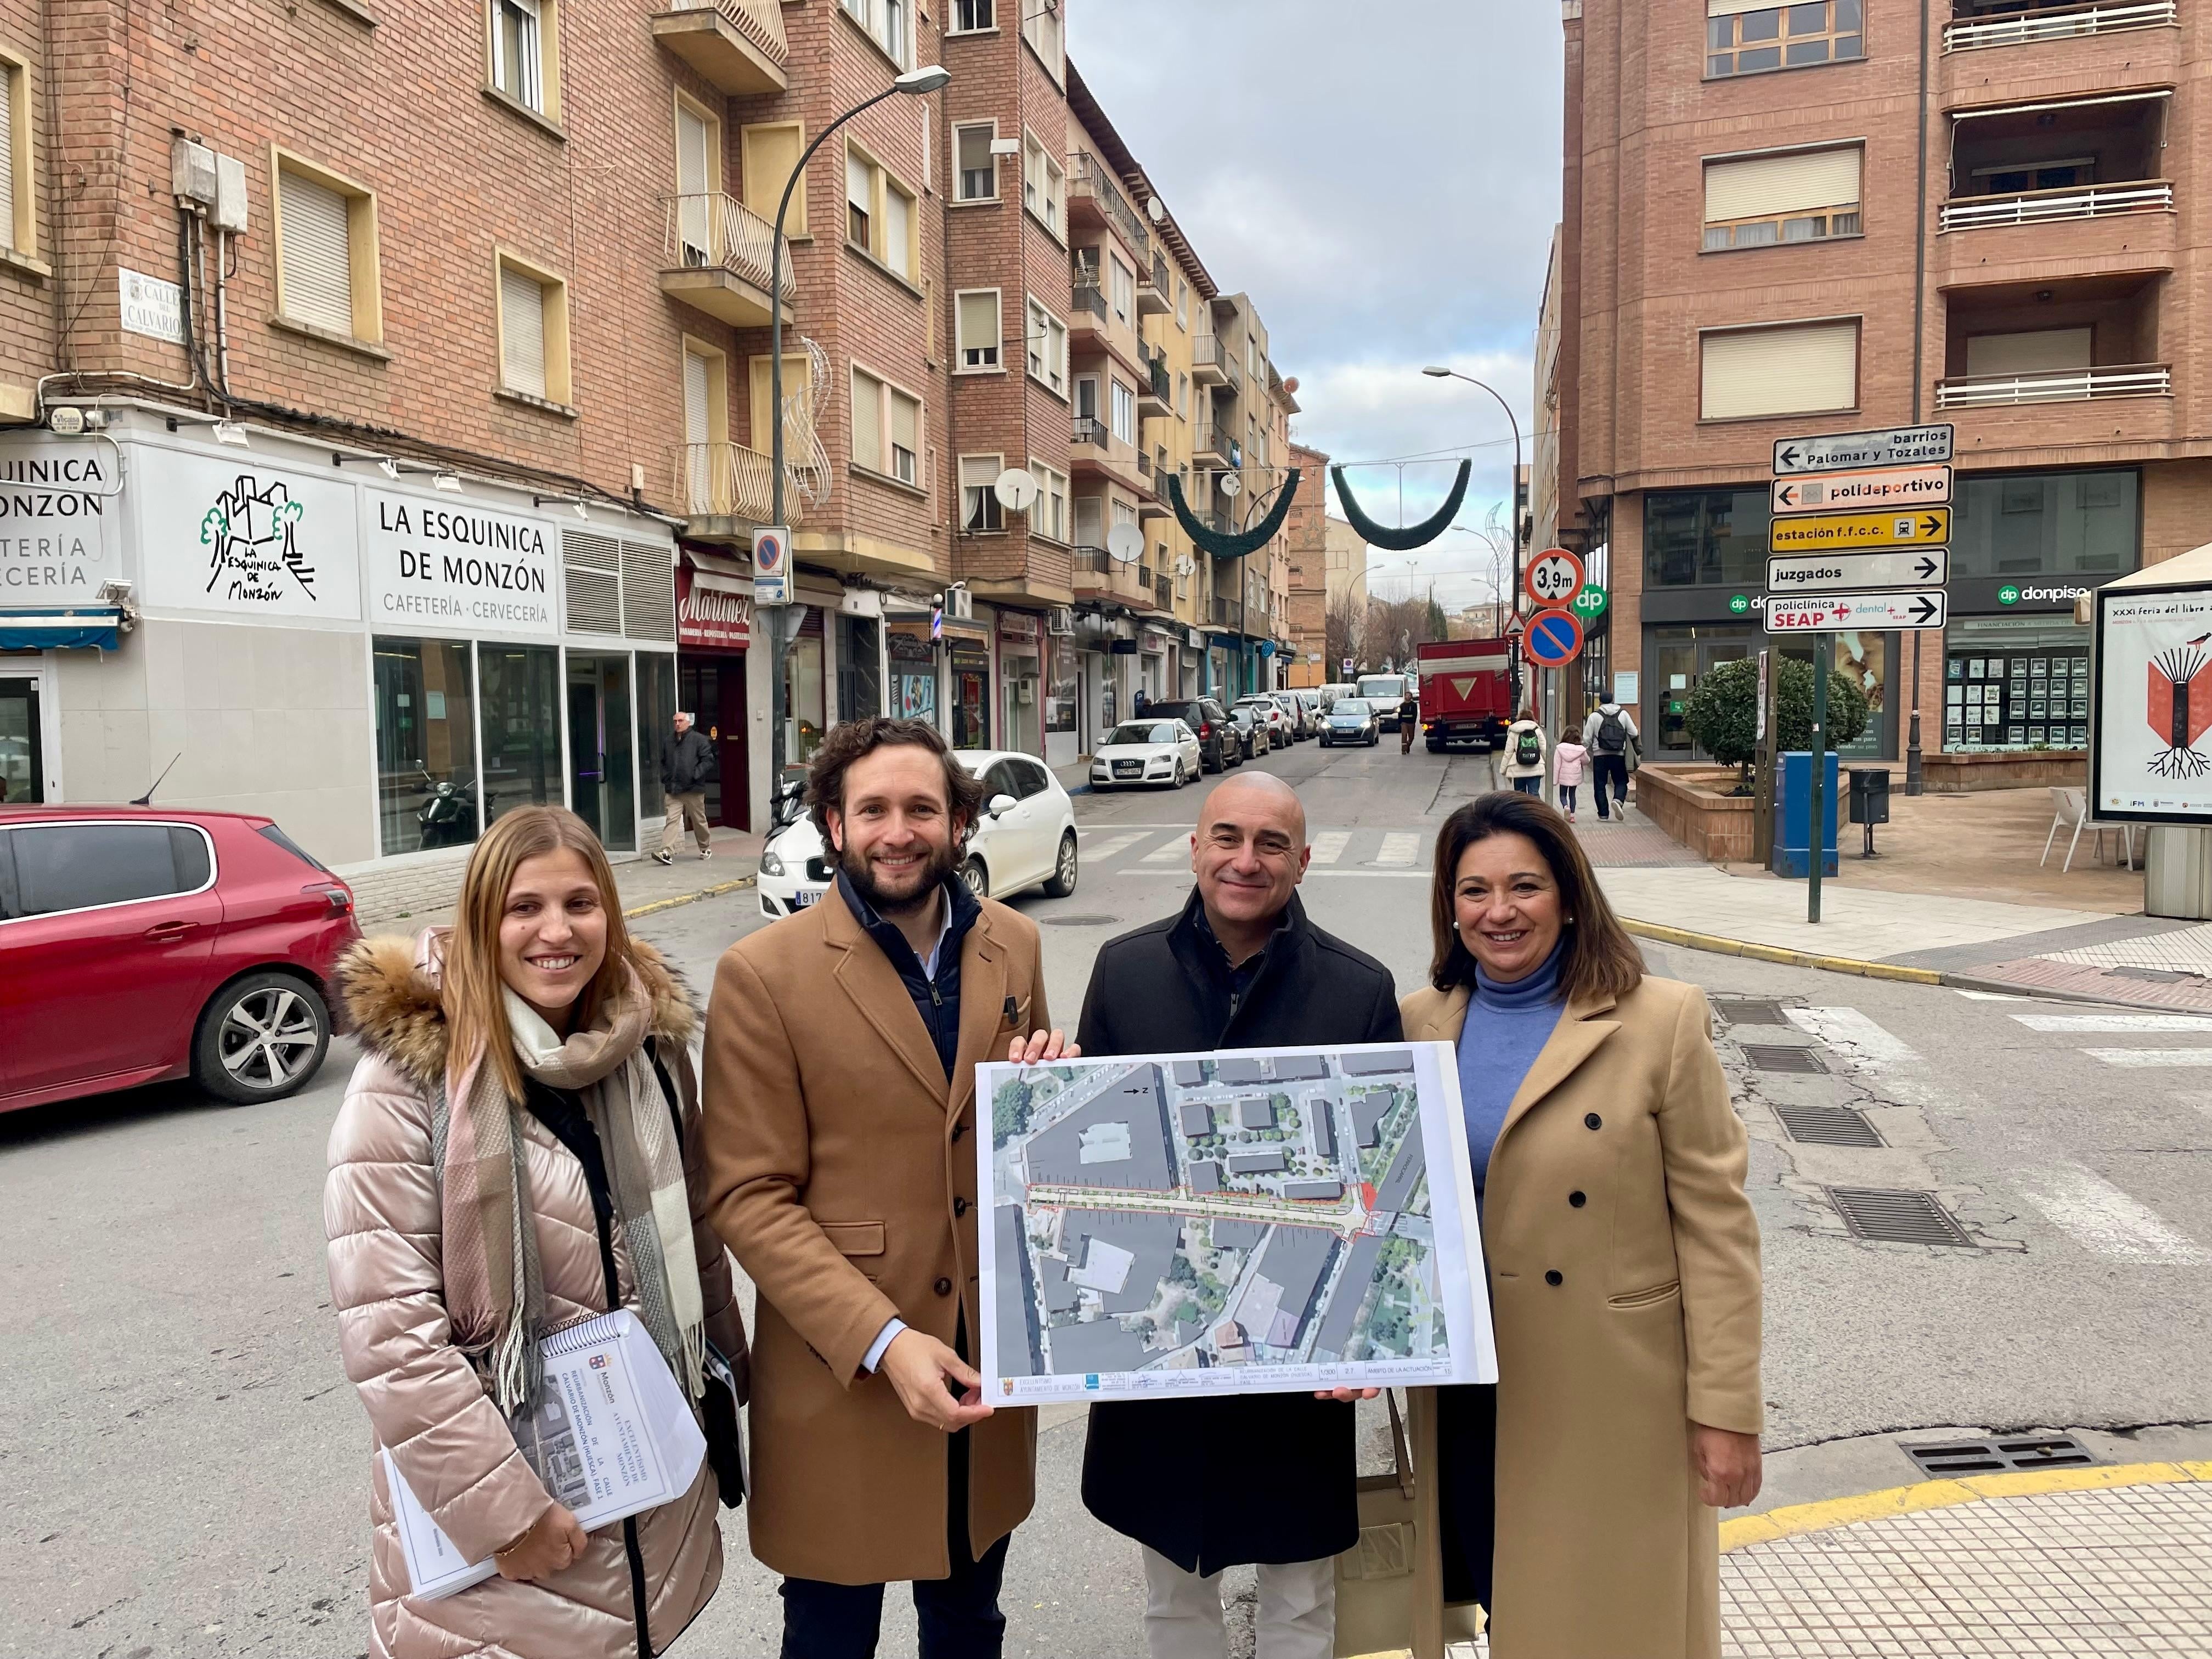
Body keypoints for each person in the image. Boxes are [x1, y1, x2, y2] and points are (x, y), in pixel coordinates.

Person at [324, 805, 748, 1659]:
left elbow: (695, 1237)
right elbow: (390, 1336)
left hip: (642, 1489)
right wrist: (505, 1517)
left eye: (581, 905)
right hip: (502, 1536)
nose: (556, 931)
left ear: (612, 917)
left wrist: (727, 1390)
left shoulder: (650, 1055)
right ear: (485, 921)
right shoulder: (409, 1084)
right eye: (525, 908)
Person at [700, 717, 1071, 1659]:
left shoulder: (1014, 943)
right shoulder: (765, 973)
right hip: (845, 1369)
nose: (896, 830)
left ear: (958, 823)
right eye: (872, 809)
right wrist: (884, 1338)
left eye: (921, 808)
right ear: (834, 823)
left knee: (967, 1617)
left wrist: (1054, 1092)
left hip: (984, 1362)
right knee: (829, 1634)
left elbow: (1025, 1143)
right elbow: (749, 1193)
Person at [1400, 791, 1763, 1658]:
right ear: (1450, 905)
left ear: (1569, 893)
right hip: (1470, 1391)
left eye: (1523, 886)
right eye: (1473, 890)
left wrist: (1726, 1412)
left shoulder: (1660, 1020)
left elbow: (1718, 1228)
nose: (1498, 912)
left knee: (1609, 1621)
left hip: (1612, 1394)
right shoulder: (1420, 1024)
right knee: (1501, 1599)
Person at [1077, 771, 1402, 1659]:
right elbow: (1093, 1143)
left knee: (1301, 1593)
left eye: (1269, 843)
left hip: (1292, 1352)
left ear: (1302, 859)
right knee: (1174, 1594)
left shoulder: (1359, 988)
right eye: (1226, 836)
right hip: (1162, 1342)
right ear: (1194, 846)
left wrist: (1366, 1329)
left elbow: (1380, 1185)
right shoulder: (1123, 967)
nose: (1244, 859)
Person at [657, 711, 716, 865]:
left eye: (681, 721)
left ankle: (705, 847)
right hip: (674, 789)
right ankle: (667, 852)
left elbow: (708, 760)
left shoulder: (699, 740)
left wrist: (695, 775)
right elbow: (663, 762)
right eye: (675, 721)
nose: (677, 724)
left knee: (699, 820)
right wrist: (666, 778)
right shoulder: (668, 741)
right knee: (672, 820)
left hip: (693, 789)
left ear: (688, 722)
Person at [1581, 698, 1639, 821]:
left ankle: (1603, 814)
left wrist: (1582, 751)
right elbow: (1634, 732)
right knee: (1621, 781)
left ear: (1600, 702)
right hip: (1619, 755)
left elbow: (1586, 739)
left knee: (1600, 785)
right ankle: (1618, 800)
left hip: (1599, 756)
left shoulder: (1594, 716)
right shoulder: (1623, 714)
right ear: (1613, 700)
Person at [1499, 710, 1546, 797]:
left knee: (1520, 797)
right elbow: (1544, 750)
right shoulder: (1537, 730)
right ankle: (1534, 810)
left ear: (1519, 718)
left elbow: (1508, 753)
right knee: (1534, 794)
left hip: (1518, 770)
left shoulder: (1513, 731)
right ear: (1532, 718)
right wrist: (1549, 766)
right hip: (1535, 768)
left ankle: (1522, 810)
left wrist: (1503, 770)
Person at [1551, 732, 1588, 821]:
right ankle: (1572, 815)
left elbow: (1557, 765)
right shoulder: (1580, 750)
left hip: (1563, 777)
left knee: (1563, 795)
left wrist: (1555, 780)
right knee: (1572, 795)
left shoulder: (1560, 748)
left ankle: (1566, 807)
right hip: (1575, 777)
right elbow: (1586, 760)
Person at [1398, 687, 1420, 754]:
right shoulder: (1402, 705)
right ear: (1405, 696)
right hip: (1404, 723)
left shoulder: (1414, 705)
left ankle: (1408, 746)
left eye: (1409, 695)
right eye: (1406, 695)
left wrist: (1413, 721)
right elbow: (1400, 714)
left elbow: (1415, 714)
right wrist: (1401, 722)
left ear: (1411, 697)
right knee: (1404, 735)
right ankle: (1403, 750)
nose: (1408, 696)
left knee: (1411, 737)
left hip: (1411, 723)